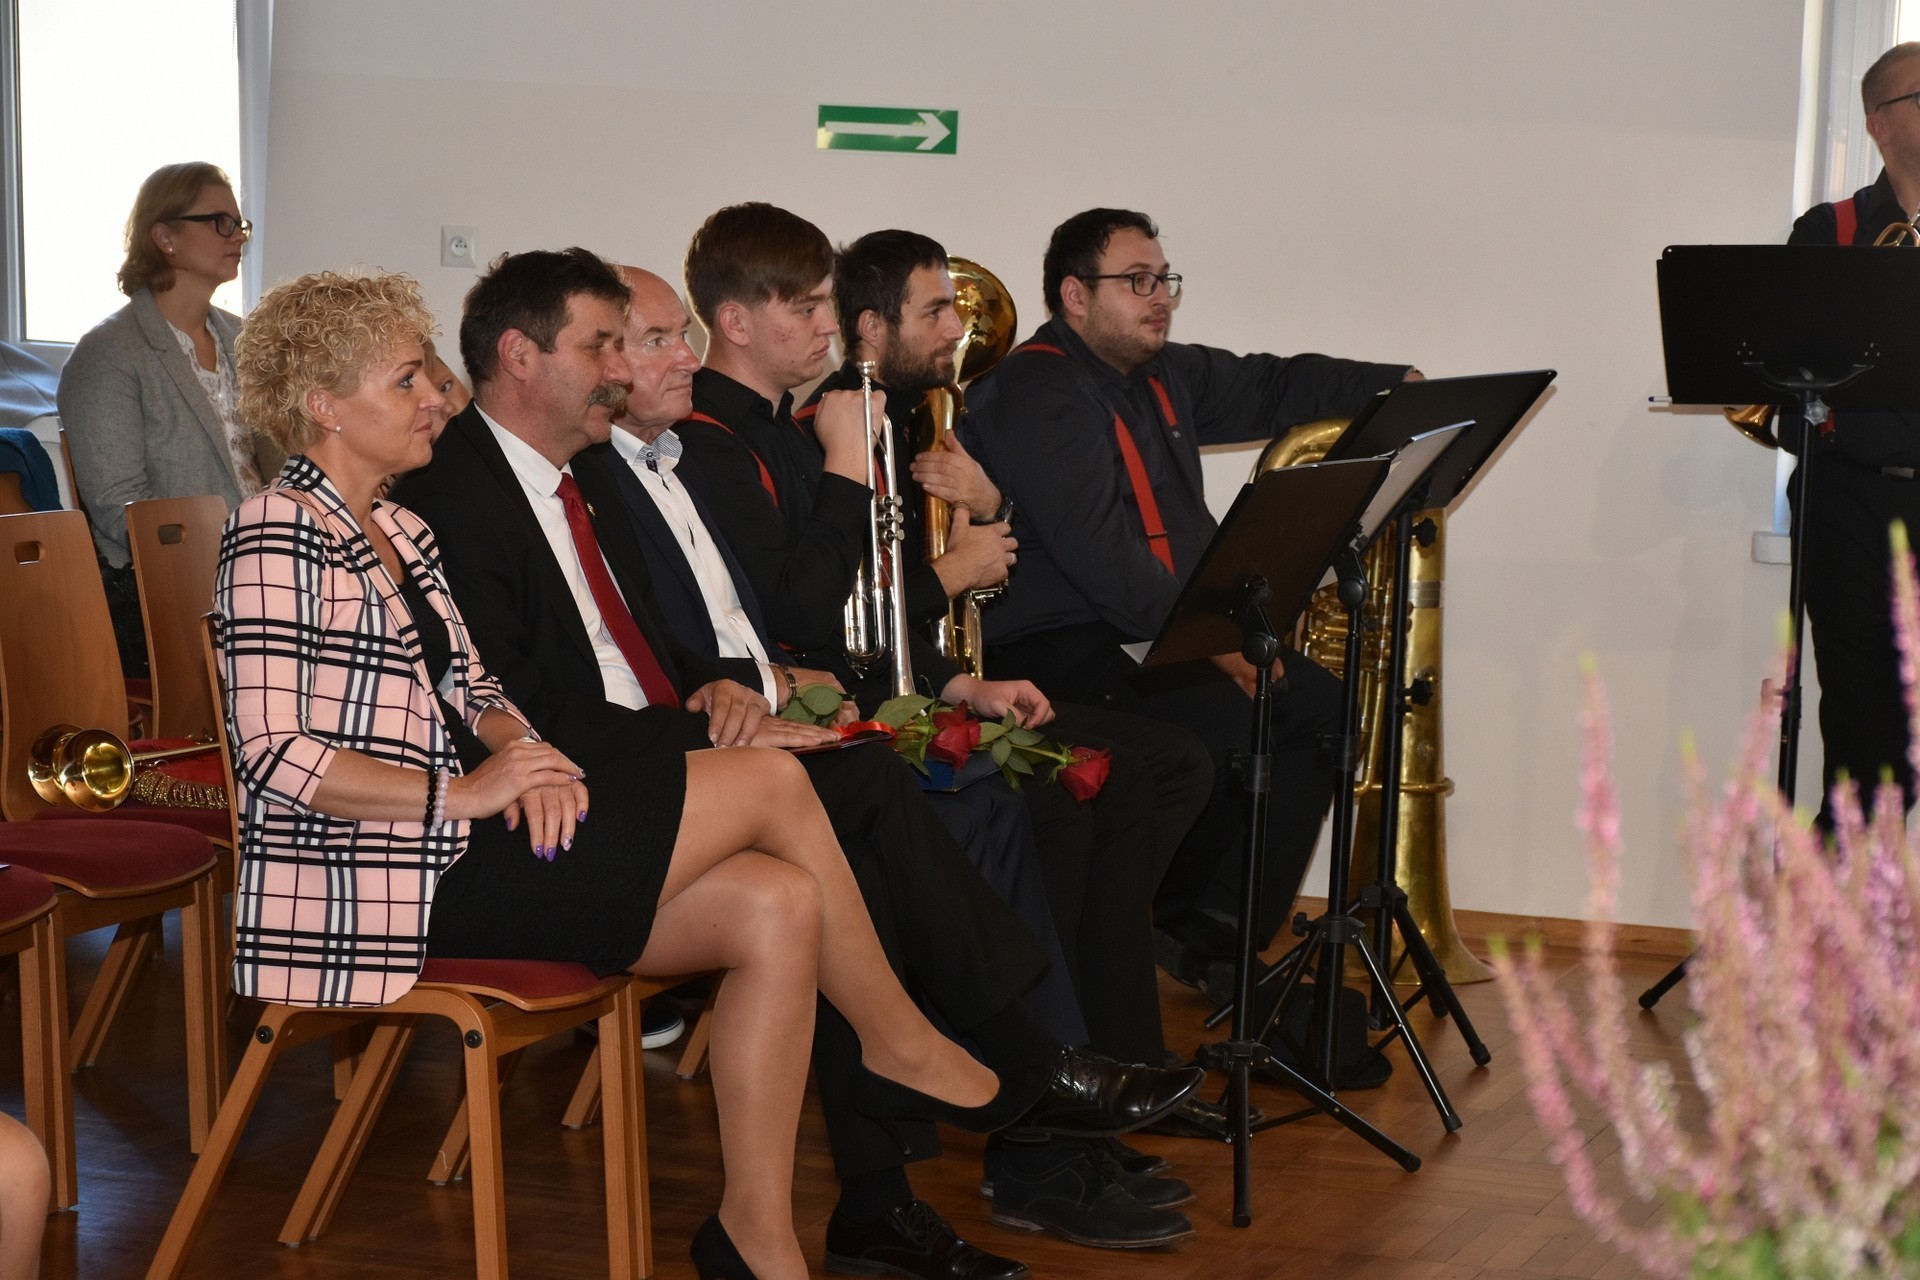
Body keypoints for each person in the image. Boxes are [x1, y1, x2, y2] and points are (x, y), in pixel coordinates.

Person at [217, 267, 1147, 1280]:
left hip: (471, 841)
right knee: (778, 783)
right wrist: (471, 789)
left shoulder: (398, 525)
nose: (435, 396)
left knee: (780, 904)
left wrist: (518, 749)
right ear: (323, 405)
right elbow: (274, 755)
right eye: (405, 380)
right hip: (388, 881)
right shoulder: (275, 529)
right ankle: (901, 1042)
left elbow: (474, 684)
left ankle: (756, 1236)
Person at [598, 263, 1204, 1255]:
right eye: (808, 307)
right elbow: (797, 615)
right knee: (964, 810)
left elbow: (796, 629)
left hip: (805, 716)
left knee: (1083, 784)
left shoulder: (700, 452)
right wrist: (873, 508)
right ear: (740, 319)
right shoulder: (707, 449)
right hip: (721, 755)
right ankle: (1024, 1113)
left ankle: (1051, 1099)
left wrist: (945, 683)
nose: (828, 326)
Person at [963, 208, 1417, 980]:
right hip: (1061, 643)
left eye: (1164, 280)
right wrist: (1215, 643)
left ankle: (1215, 926)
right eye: (1136, 281)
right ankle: (1174, 916)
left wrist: (1397, 387)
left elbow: (1274, 382)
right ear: (1075, 295)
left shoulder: (1164, 372)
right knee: (1242, 720)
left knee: (1319, 706)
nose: (1159, 298)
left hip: (1144, 630)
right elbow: (1103, 558)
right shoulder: (1037, 390)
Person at [58, 162, 282, 676]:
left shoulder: (245, 340)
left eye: (239, 224)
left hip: (262, 571)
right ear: (165, 237)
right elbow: (120, 510)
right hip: (164, 594)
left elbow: (281, 463)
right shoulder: (109, 353)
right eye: (219, 222)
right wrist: (234, 559)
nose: (237, 236)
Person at [1778, 42, 1920, 830]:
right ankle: (1839, 887)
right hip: (1849, 503)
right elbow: (1784, 379)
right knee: (1860, 717)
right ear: (1878, 123)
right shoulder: (1828, 231)